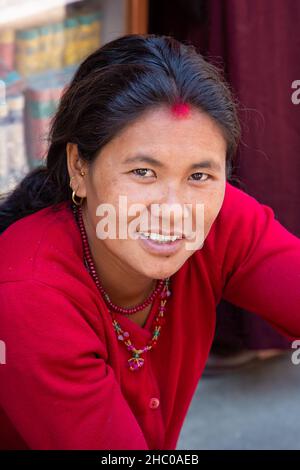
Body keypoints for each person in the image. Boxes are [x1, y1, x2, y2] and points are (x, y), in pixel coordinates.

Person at [0, 34, 299, 450]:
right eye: (143, 172)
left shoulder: (217, 216)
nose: (174, 210)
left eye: (199, 175)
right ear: (78, 168)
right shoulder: (28, 294)